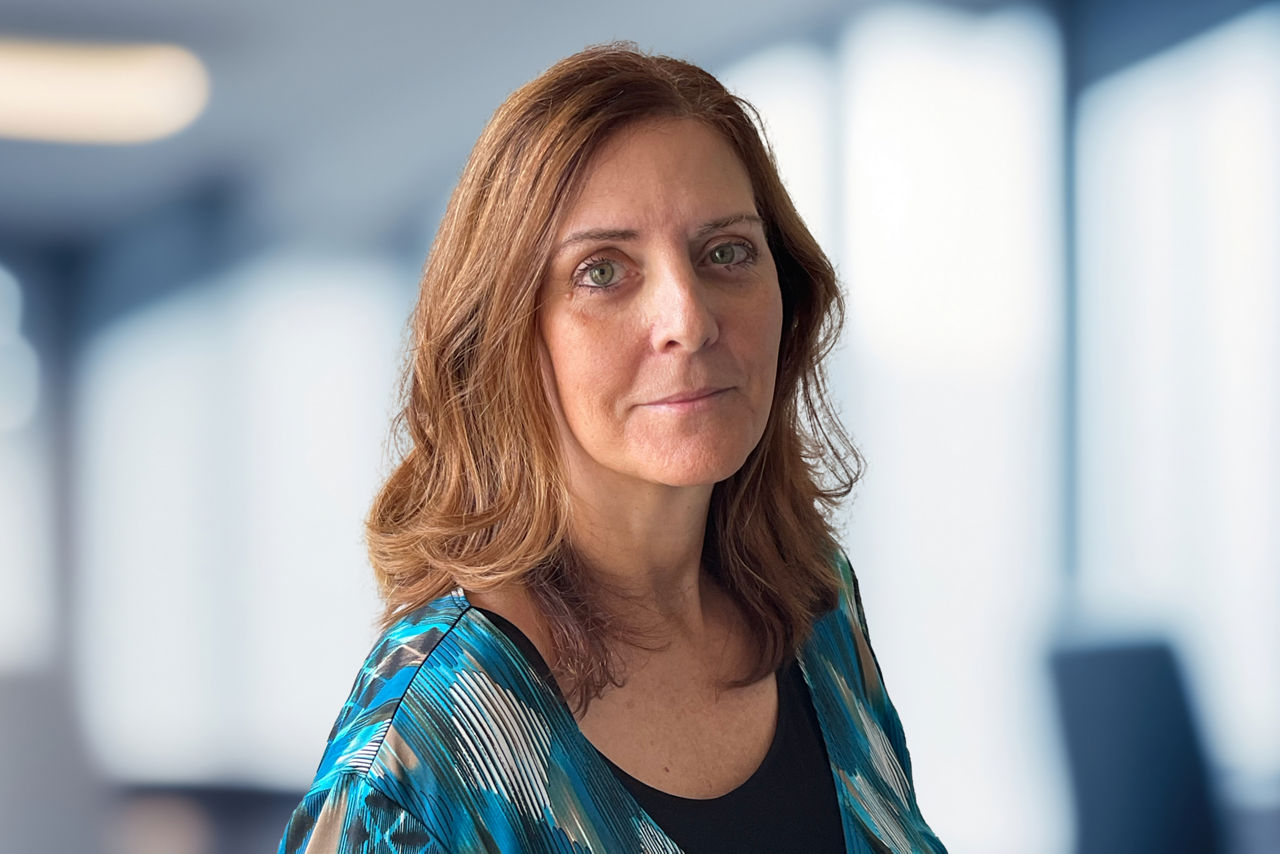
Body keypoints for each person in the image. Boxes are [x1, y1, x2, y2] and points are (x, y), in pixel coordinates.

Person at [279, 44, 947, 854]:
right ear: (506, 338)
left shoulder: (817, 610)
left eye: (726, 252)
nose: (689, 320)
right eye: (603, 272)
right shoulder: (416, 759)